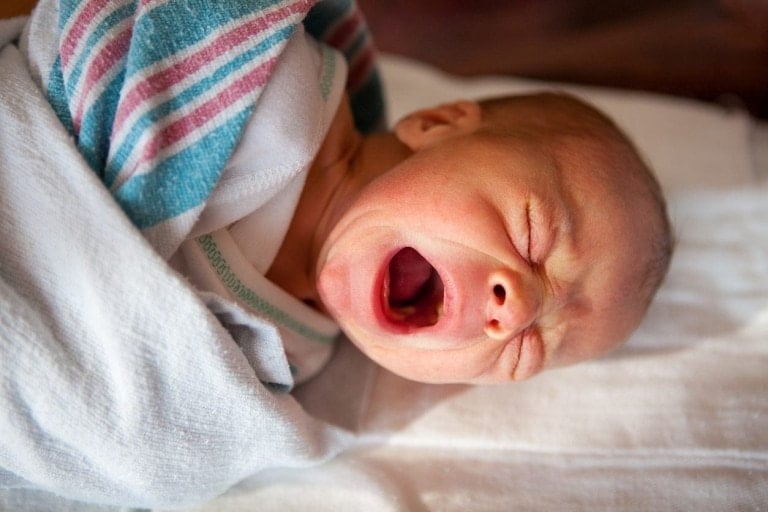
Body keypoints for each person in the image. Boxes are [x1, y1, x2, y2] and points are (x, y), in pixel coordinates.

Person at [175, 32, 673, 386]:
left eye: (526, 351)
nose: (515, 311)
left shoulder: (286, 358)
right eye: (531, 234)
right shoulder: (272, 85)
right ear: (438, 123)